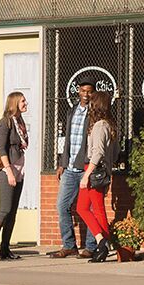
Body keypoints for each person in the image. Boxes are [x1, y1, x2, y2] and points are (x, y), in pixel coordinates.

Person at [50, 80, 98, 259]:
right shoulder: (72, 111)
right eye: (83, 90)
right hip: (69, 169)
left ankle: (91, 246)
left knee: (88, 208)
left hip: (86, 168)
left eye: (90, 91)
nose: (86, 94)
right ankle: (69, 245)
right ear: (78, 91)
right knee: (62, 206)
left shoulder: (95, 114)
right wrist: (62, 163)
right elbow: (67, 139)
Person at [0, 92, 29, 261]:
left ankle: (5, 249)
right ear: (15, 102)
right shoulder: (5, 123)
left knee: (12, 212)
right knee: (5, 209)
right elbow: (2, 150)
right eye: (23, 101)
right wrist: (9, 172)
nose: (26, 103)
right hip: (6, 170)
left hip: (19, 170)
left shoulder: (19, 122)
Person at [76, 92, 119, 263]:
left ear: (97, 105)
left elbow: (98, 152)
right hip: (100, 170)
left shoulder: (100, 126)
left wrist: (86, 175)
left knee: (95, 208)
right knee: (84, 207)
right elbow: (114, 153)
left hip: (94, 170)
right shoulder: (109, 124)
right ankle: (102, 241)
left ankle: (103, 243)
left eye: (92, 102)